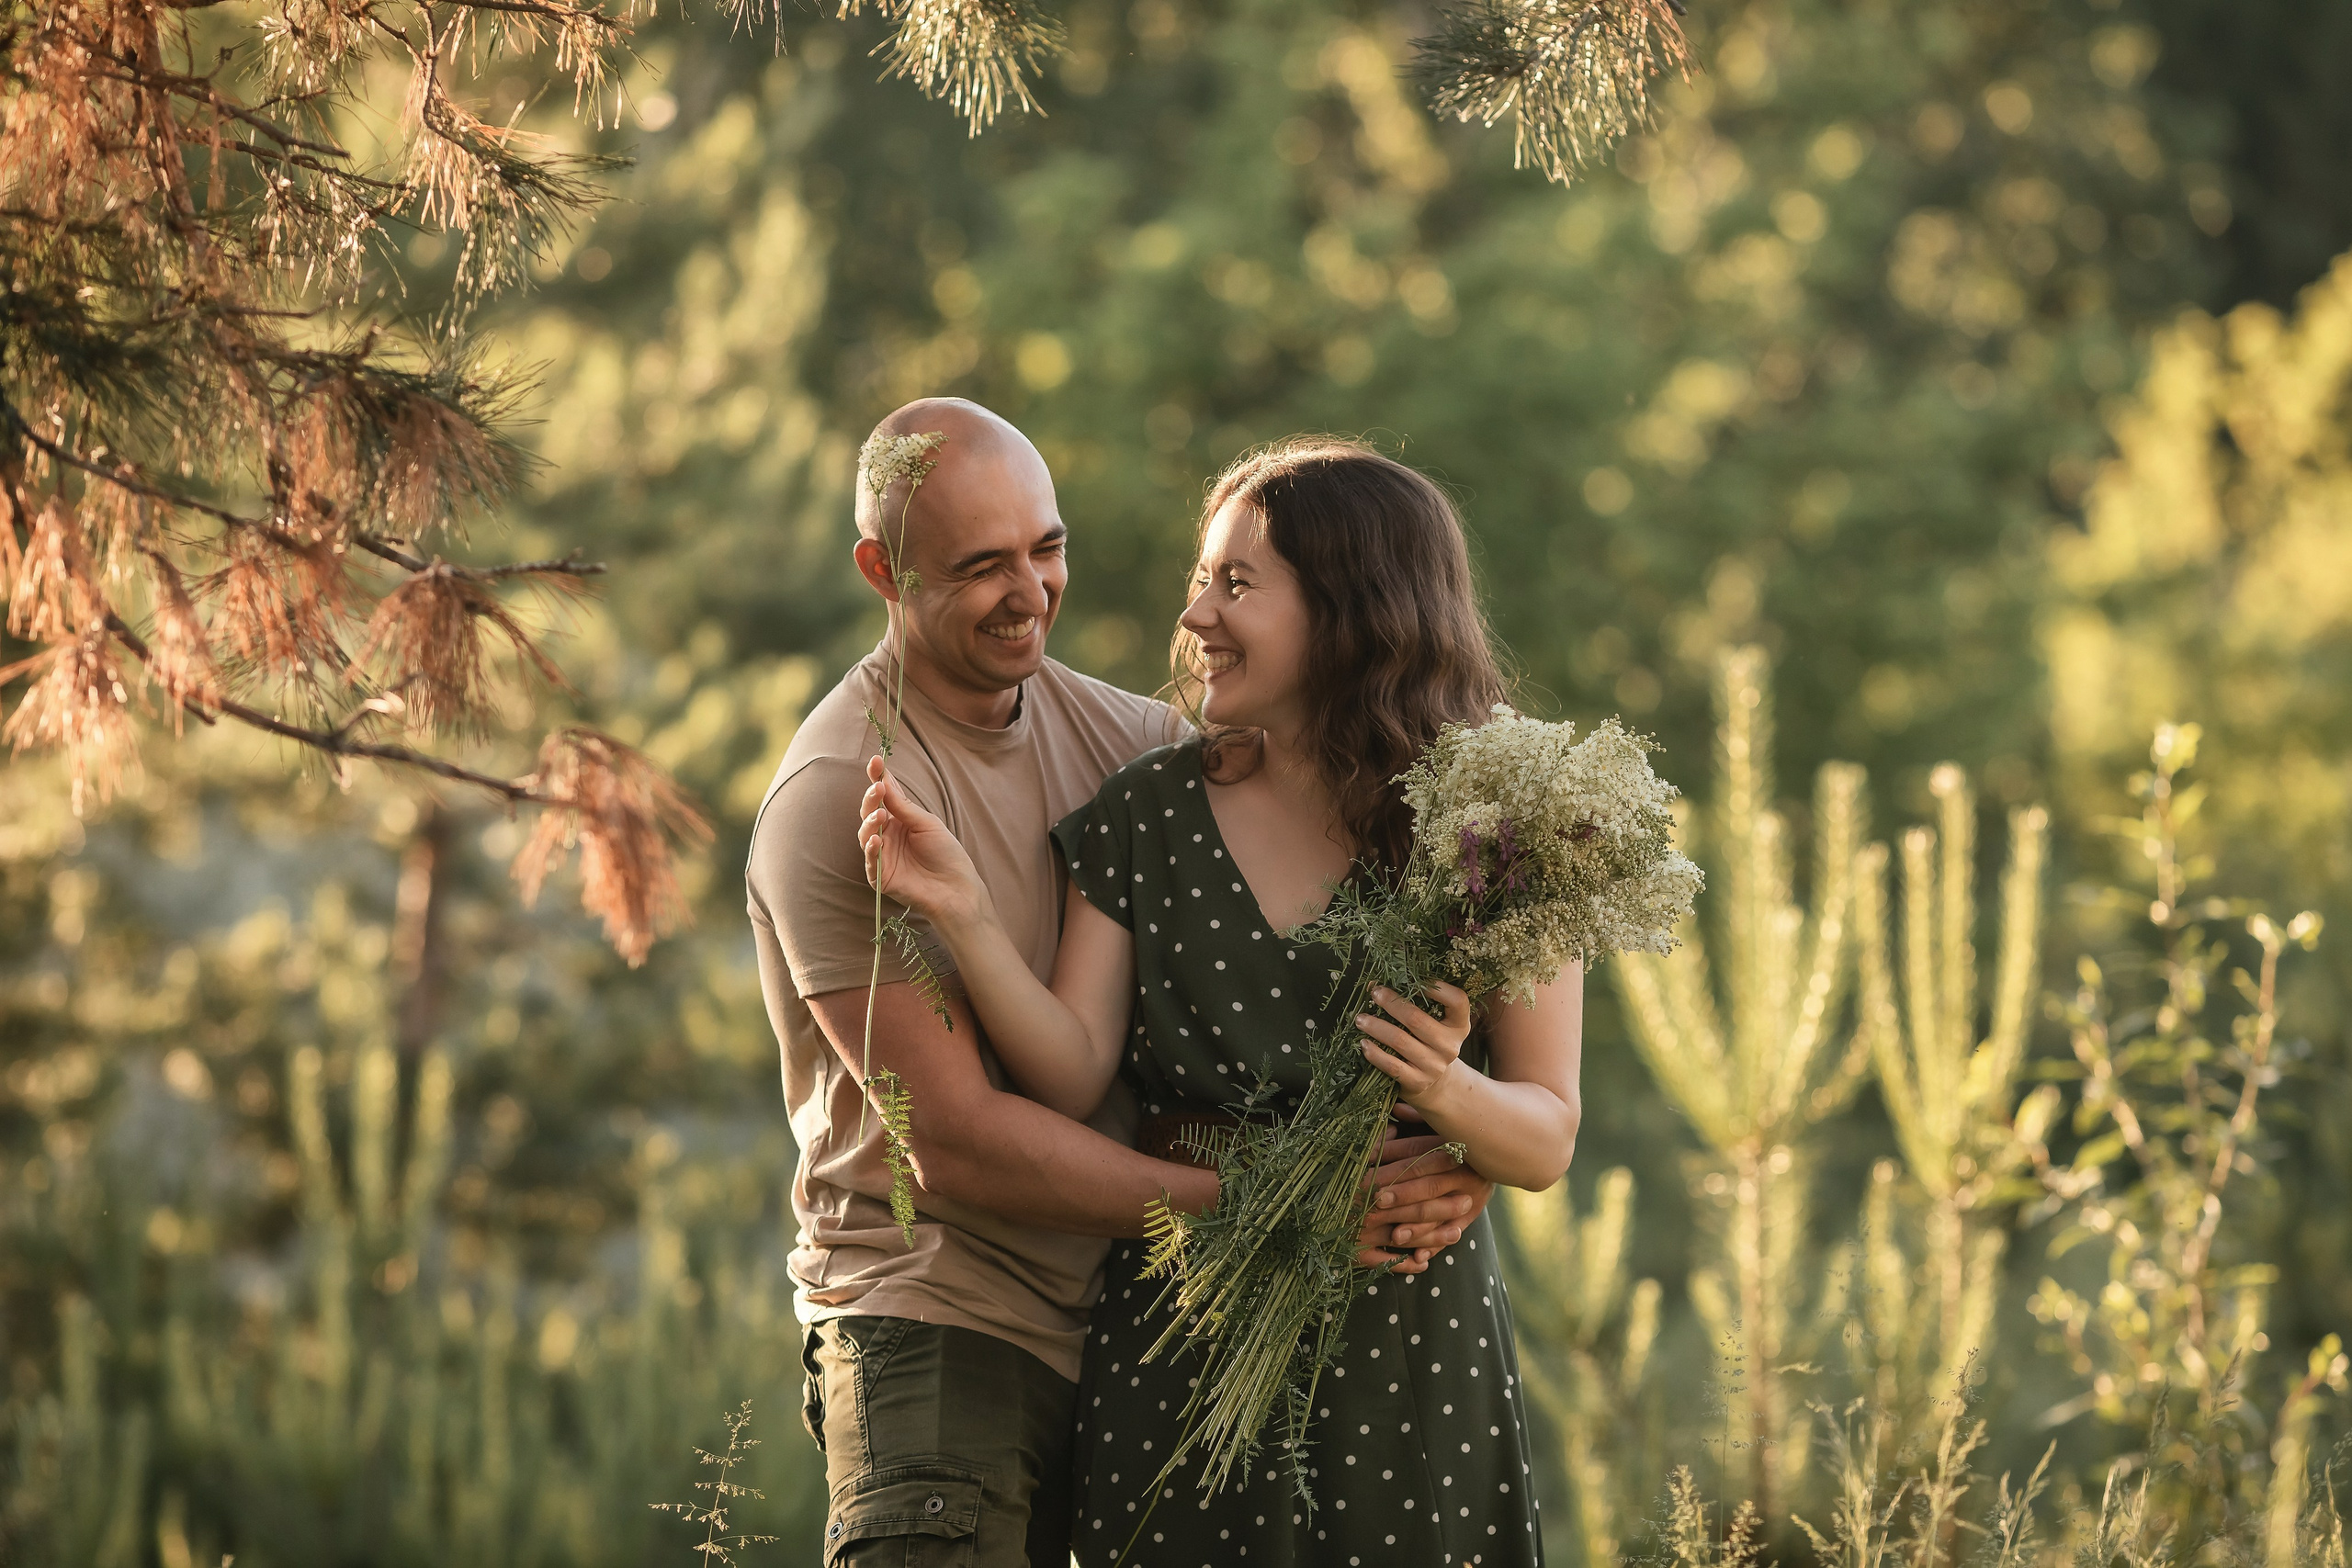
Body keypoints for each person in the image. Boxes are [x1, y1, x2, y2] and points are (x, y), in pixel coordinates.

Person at [746, 401, 1497, 1567]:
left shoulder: (1129, 743)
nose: (1029, 591)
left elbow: (1326, 869)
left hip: (1133, 1319)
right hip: (947, 1322)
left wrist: (1448, 1163)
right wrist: (1280, 1206)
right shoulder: (842, 799)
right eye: (980, 567)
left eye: (1045, 549)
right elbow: (959, 1143)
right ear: (880, 572)